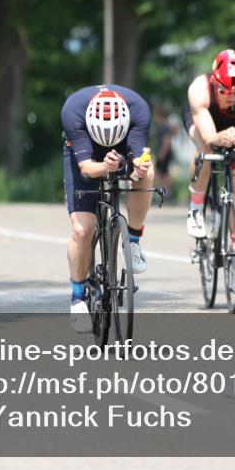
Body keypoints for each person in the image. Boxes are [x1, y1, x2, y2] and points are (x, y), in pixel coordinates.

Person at [62, 85, 154, 332]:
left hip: (124, 147)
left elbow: (138, 161)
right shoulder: (73, 111)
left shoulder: (139, 110)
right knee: (83, 230)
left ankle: (133, 241)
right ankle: (78, 297)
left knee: (148, 173)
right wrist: (104, 168)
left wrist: (138, 168)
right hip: (86, 156)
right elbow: (85, 169)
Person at [182, 49, 235, 288]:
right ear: (214, 82)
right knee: (206, 153)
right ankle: (196, 206)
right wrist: (220, 137)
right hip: (205, 119)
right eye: (224, 91)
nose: (230, 96)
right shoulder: (199, 90)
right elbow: (208, 137)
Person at [151, 102, 177, 199]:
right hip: (164, 153)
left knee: (163, 173)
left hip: (163, 153)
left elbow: (166, 141)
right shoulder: (164, 124)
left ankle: (166, 192)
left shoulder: (163, 125)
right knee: (163, 172)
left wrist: (161, 154)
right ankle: (166, 192)